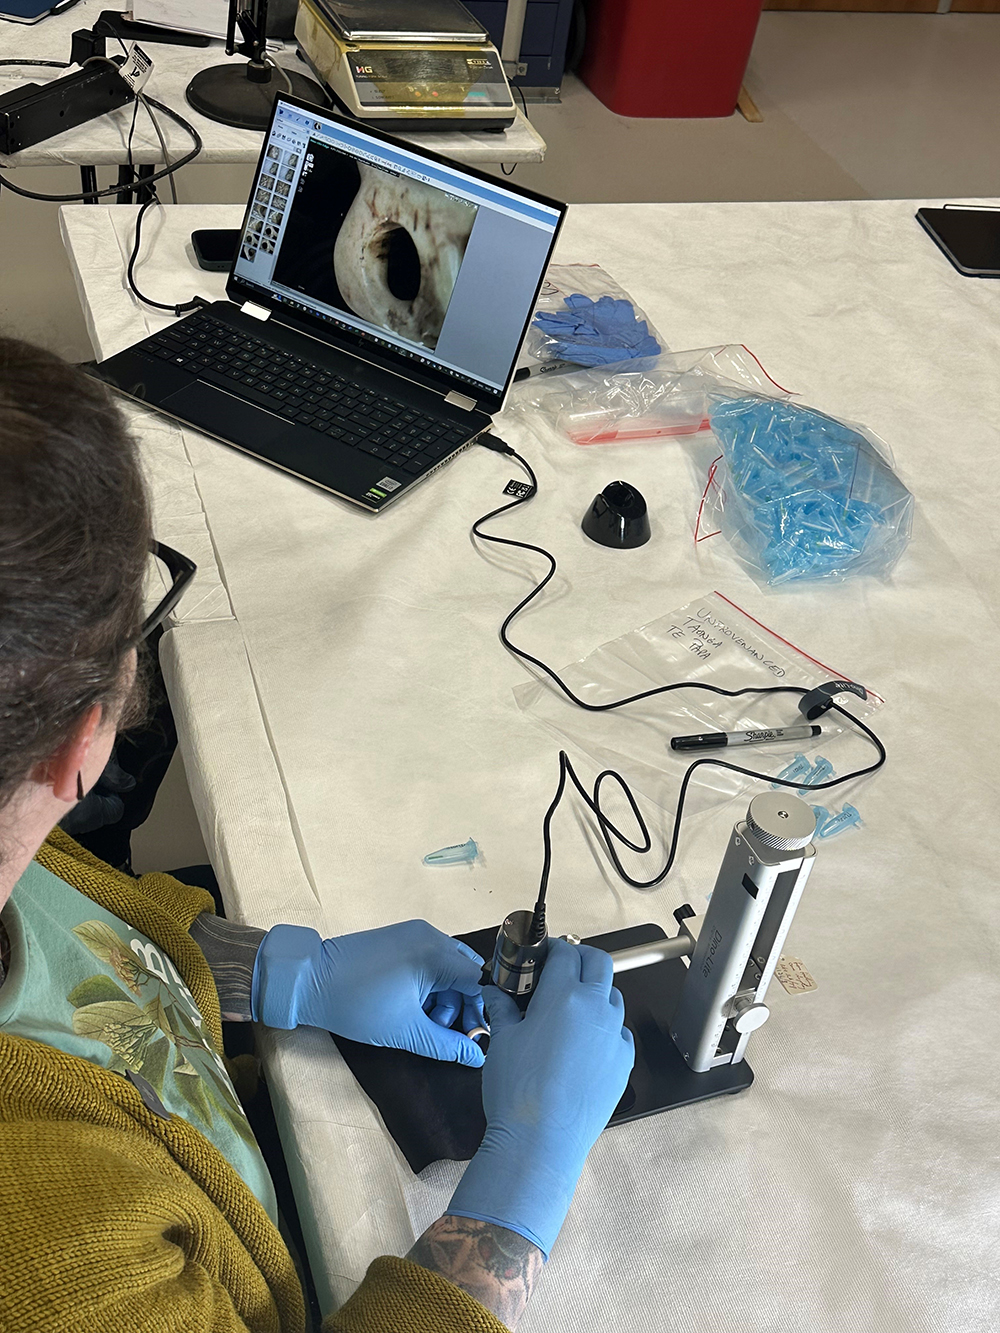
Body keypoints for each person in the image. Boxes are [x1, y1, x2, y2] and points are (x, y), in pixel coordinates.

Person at [0, 336, 634, 1333]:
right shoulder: (52, 1264)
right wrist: (523, 1181)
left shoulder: (11, 817)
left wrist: (286, 973)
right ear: (82, 744)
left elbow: (71, 931)